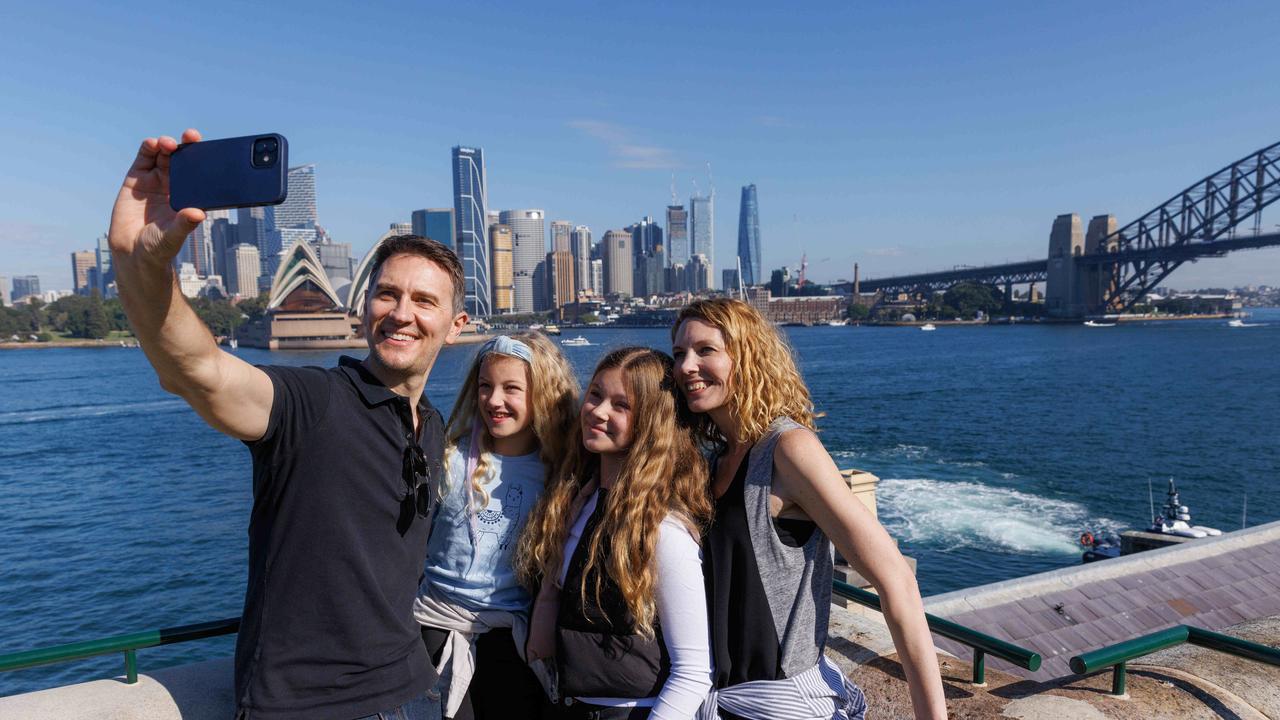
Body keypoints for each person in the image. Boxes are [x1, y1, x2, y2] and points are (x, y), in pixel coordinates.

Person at [108, 130, 466, 720]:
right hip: (308, 708)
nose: (402, 313)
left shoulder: (428, 426)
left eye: (424, 301)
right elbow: (196, 371)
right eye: (387, 294)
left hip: (414, 690)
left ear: (455, 325)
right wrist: (139, 262)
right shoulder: (312, 403)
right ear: (362, 307)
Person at [670, 299, 948, 720]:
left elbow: (896, 580)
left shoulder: (787, 449)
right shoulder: (712, 463)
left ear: (746, 356)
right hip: (723, 706)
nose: (686, 366)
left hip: (779, 705)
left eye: (706, 350)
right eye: (678, 354)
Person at [519, 347, 714, 720]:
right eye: (595, 395)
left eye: (620, 405)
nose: (598, 411)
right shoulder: (578, 503)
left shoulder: (664, 530)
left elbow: (692, 672)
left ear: (650, 422)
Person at [414, 332, 579, 719]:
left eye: (511, 388)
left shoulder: (559, 475)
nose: (493, 400)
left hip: (510, 643)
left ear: (543, 395)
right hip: (432, 631)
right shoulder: (450, 459)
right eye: (485, 386)